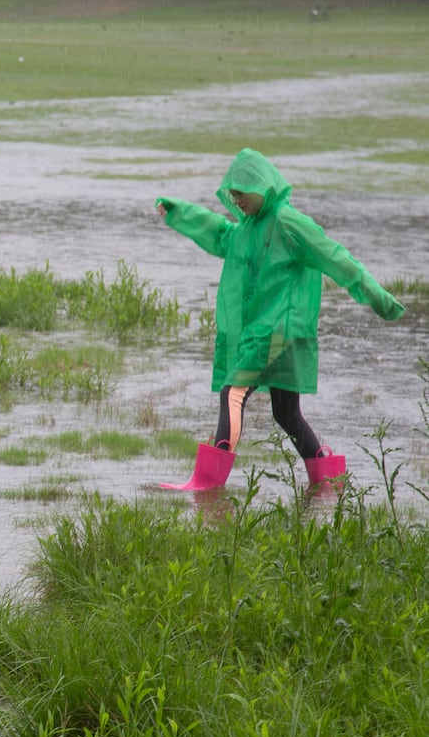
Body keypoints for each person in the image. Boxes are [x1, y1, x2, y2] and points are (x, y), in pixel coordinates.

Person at [155, 148, 404, 491]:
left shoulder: (288, 222)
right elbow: (220, 235)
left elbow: (335, 257)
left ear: (262, 185)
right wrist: (179, 212)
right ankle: (328, 480)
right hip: (269, 331)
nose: (236, 199)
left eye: (242, 192)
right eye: (233, 192)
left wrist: (379, 298)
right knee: (286, 414)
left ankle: (208, 481)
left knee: (233, 390)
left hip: (278, 330)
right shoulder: (248, 228)